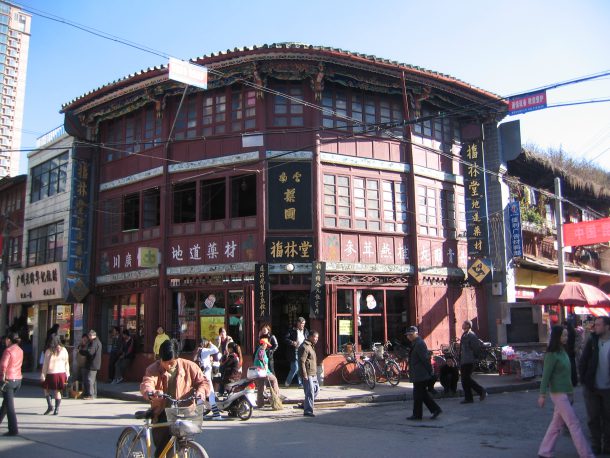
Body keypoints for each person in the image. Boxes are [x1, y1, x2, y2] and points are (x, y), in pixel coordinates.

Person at [140, 339, 210, 458]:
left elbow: (203, 382)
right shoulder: (153, 369)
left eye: (171, 362)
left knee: (183, 445)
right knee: (163, 449)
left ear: (177, 357)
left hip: (184, 411)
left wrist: (201, 392)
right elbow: (147, 383)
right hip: (162, 413)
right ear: (160, 358)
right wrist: (151, 392)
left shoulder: (189, 366)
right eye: (165, 362)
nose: (168, 365)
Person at [538, 325, 594, 458]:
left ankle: (544, 451)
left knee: (556, 424)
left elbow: (566, 375)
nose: (566, 337)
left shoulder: (563, 351)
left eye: (567, 335)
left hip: (566, 392)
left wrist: (571, 392)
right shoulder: (551, 355)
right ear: (557, 337)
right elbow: (546, 376)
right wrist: (542, 395)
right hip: (558, 393)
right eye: (563, 335)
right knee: (573, 423)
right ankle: (586, 454)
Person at [579, 316, 610, 455]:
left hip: (608, 389)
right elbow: (583, 361)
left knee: (608, 418)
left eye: (598, 325)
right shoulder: (592, 341)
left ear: (607, 327)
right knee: (593, 418)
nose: (595, 327)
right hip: (592, 387)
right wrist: (584, 380)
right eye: (595, 324)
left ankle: (608, 445)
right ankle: (596, 445)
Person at [405, 326, 441, 420]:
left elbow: (425, 359)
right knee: (422, 394)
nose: (408, 336)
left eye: (410, 334)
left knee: (417, 395)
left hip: (421, 374)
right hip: (417, 373)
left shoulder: (419, 343)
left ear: (416, 333)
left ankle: (417, 415)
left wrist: (430, 371)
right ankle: (435, 409)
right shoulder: (415, 343)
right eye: (407, 335)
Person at [0, 332, 23, 436]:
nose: (5, 342)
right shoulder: (20, 350)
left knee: (9, 406)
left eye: (6, 340)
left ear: (9, 340)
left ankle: (13, 429)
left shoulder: (8, 350)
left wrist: (2, 377)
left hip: (8, 379)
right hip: (18, 379)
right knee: (6, 404)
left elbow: (3, 365)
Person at [40, 334, 70, 415]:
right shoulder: (64, 350)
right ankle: (57, 409)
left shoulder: (49, 351)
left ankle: (50, 406)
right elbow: (67, 362)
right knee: (57, 391)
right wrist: (67, 373)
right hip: (61, 373)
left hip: (51, 373)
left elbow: (45, 364)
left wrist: (43, 375)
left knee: (46, 389)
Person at [193, 338, 221, 420]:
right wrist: (211, 343)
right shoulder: (204, 350)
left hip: (200, 376)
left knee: (201, 394)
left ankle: (199, 414)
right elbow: (216, 350)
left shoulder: (197, 351)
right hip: (207, 377)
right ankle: (216, 415)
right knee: (211, 394)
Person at [459, 320, 487, 404]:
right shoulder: (464, 334)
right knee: (464, 380)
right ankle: (468, 398)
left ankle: (481, 391)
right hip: (464, 360)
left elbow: (476, 348)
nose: (462, 325)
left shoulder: (471, 335)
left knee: (466, 378)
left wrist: (476, 358)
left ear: (468, 325)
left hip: (469, 360)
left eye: (464, 324)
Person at [253, 338, 281, 409]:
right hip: (263, 371)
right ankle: (276, 398)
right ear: (263, 344)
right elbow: (261, 357)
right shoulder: (261, 350)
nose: (267, 346)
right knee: (274, 380)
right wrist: (265, 365)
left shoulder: (258, 349)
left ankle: (260, 404)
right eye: (266, 344)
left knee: (261, 387)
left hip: (259, 371)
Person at [299, 330, 319, 417]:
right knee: (310, 391)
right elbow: (302, 361)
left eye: (317, 337)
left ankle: (305, 404)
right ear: (310, 337)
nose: (316, 339)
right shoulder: (305, 347)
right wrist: (304, 374)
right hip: (308, 373)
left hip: (313, 372)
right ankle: (308, 411)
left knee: (316, 390)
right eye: (315, 337)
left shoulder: (311, 346)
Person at [284, 317, 309, 387]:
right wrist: (292, 342)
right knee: (295, 367)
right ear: (297, 323)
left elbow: (308, 339)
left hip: (302, 351)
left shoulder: (305, 330)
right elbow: (285, 339)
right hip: (294, 350)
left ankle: (300, 383)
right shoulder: (292, 330)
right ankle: (287, 382)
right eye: (301, 323)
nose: (302, 325)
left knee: (300, 367)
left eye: (303, 323)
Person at [80, 329, 102, 399]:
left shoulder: (94, 342)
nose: (88, 337)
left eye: (89, 336)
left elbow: (90, 352)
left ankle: (91, 394)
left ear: (92, 335)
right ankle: (92, 394)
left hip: (92, 363)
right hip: (93, 363)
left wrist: (82, 351)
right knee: (92, 380)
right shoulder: (96, 341)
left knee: (90, 380)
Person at [563, 320, 578, 387]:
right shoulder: (573, 331)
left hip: (569, 350)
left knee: (570, 366)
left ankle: (571, 380)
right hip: (572, 351)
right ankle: (574, 380)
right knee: (573, 365)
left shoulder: (567, 332)